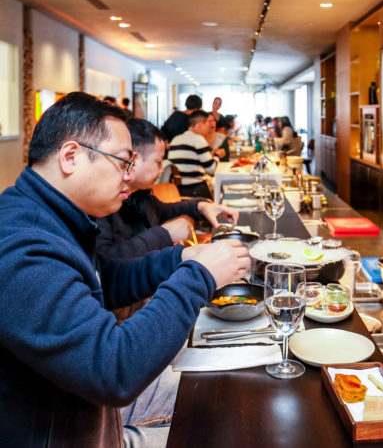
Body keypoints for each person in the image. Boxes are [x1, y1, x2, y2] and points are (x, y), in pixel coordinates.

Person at [0, 92, 250, 447]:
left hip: (87, 411)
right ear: (70, 157)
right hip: (70, 429)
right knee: (225, 431)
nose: (129, 177)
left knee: (225, 393)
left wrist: (181, 260)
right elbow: (114, 367)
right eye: (122, 161)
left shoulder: (59, 218)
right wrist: (197, 276)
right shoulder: (23, 247)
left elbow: (108, 280)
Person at [97, 117, 238, 261]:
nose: (162, 169)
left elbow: (164, 210)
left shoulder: (138, 196)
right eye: (158, 162)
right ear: (134, 160)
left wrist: (201, 206)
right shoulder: (102, 205)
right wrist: (165, 233)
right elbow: (108, 263)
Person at [168, 110, 224, 198]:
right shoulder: (198, 139)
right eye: (207, 124)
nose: (208, 127)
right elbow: (211, 169)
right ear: (200, 124)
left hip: (178, 191)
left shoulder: (175, 139)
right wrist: (217, 156)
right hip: (196, 191)